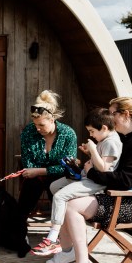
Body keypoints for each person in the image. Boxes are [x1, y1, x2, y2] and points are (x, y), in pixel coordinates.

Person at [45, 96, 132, 263]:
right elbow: (112, 170)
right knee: (66, 197)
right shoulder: (127, 139)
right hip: (118, 195)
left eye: (113, 113)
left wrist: (91, 172)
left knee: (72, 205)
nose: (109, 117)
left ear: (125, 115)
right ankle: (68, 252)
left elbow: (125, 181)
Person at [30, 107, 122, 256]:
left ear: (104, 128)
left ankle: (53, 237)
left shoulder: (112, 142)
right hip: (87, 176)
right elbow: (99, 160)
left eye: (92, 131)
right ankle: (65, 219)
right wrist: (90, 152)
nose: (91, 135)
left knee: (60, 196)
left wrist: (92, 150)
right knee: (55, 187)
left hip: (96, 183)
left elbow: (104, 169)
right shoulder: (104, 139)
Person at [17, 90, 77, 224]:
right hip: (35, 176)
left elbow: (68, 167)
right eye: (35, 124)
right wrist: (37, 172)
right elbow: (28, 162)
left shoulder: (68, 134)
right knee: (27, 196)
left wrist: (40, 171)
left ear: (52, 119)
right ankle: (18, 230)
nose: (37, 129)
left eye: (41, 125)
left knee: (57, 189)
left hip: (59, 177)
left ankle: (60, 232)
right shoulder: (29, 131)